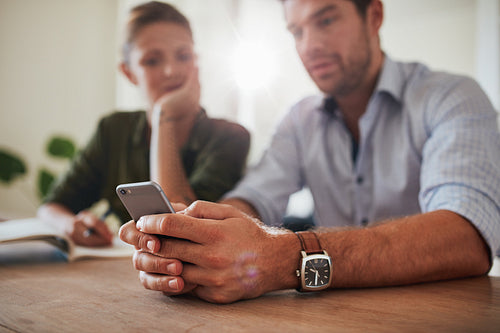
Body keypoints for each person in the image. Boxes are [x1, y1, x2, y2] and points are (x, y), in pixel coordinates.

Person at [119, 0, 500, 303]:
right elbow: (252, 199)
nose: (309, 45)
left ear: (374, 14)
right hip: (332, 316)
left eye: (326, 20)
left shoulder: (451, 98)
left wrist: (283, 257)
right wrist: (205, 241)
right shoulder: (300, 120)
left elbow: (469, 237)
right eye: (296, 31)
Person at [38, 1, 250, 248]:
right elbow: (51, 205)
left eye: (184, 56)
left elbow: (180, 227)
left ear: (197, 61)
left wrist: (164, 117)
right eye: (152, 61)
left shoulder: (230, 136)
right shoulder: (113, 129)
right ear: (128, 73)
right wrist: (70, 224)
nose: (172, 70)